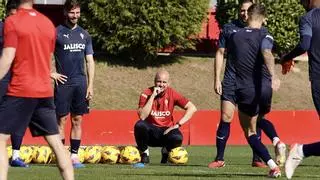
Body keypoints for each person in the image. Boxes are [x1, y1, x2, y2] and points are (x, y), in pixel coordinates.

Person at [0, 0, 74, 179]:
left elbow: (7, 58)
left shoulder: (13, 21)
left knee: (0, 139)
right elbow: (47, 59)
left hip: (20, 90)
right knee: (56, 144)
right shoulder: (47, 23)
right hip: (44, 92)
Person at [209, 0, 286, 168]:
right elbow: (220, 53)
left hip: (250, 83)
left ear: (251, 13)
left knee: (253, 122)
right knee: (227, 117)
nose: (244, 13)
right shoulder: (230, 29)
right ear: (239, 12)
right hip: (231, 80)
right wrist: (216, 78)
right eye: (242, 10)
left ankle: (258, 159)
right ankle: (219, 158)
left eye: (247, 11)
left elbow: (265, 53)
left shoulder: (259, 32)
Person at [228, 4, 281, 178]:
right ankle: (276, 140)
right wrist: (273, 76)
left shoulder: (235, 36)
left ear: (248, 16)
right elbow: (266, 51)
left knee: (249, 131)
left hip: (245, 88)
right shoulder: (265, 33)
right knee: (261, 118)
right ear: (264, 18)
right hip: (265, 88)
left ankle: (273, 166)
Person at [51, 0, 95, 168]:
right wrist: (50, 73)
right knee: (61, 120)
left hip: (80, 84)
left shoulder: (85, 35)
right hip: (63, 84)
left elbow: (90, 61)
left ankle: (74, 156)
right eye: (72, 13)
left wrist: (90, 85)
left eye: (77, 13)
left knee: (77, 120)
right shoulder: (56, 32)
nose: (75, 16)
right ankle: (61, 155)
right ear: (65, 12)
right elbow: (43, 53)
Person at [281, 0, 320, 179]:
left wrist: (286, 57)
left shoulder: (308, 18)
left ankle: (301, 151)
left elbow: (304, 45)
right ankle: (301, 151)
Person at [134, 70, 197, 164]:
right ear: (154, 81)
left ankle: (166, 152)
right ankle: (145, 153)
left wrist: (177, 125)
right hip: (151, 133)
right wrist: (153, 96)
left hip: (166, 132)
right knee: (139, 125)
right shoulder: (146, 93)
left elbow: (192, 108)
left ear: (168, 83)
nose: (161, 84)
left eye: (164, 82)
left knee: (177, 137)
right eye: (159, 81)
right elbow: (142, 116)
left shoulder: (172, 93)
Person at [0, 0, 30, 168]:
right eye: (12, 16)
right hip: (2, 79)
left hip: (19, 80)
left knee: (19, 118)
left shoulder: (23, 31)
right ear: (6, 15)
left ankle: (16, 156)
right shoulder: (1, 29)